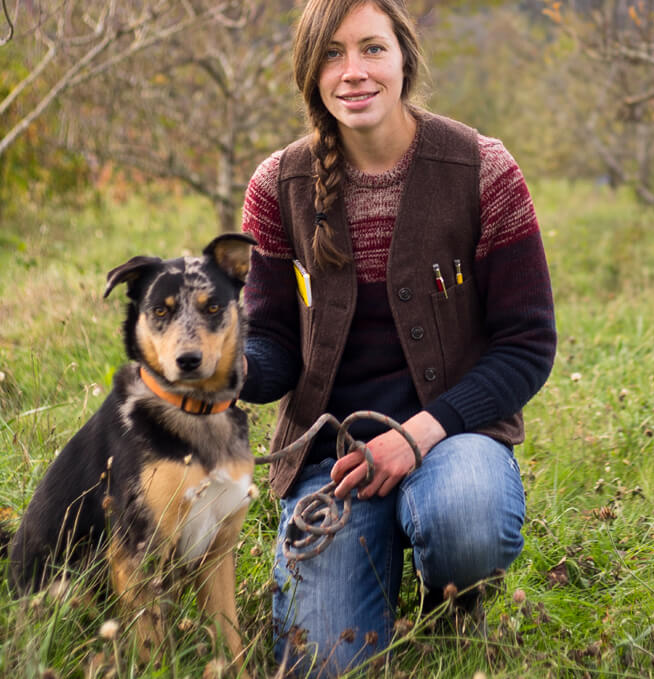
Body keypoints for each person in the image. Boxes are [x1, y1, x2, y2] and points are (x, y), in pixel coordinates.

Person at [236, 0, 556, 675]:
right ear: (309, 70)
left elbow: (526, 345)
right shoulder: (277, 187)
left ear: (403, 58)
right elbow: (273, 347)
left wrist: (417, 435)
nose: (353, 71)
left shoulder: (483, 170)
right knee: (323, 662)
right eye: (331, 53)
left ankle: (453, 599)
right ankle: (365, 555)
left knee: (464, 516)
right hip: (334, 463)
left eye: (372, 49)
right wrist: (224, 369)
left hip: (453, 439)